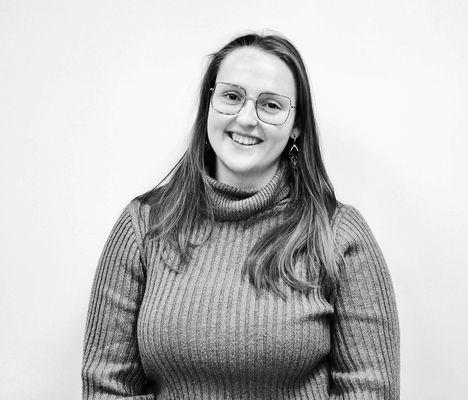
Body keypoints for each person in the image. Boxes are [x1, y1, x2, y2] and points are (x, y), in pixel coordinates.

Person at [81, 32, 400, 400]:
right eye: (232, 97)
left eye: (271, 105)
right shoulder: (144, 225)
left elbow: (370, 390)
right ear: (209, 104)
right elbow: (107, 387)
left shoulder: (339, 235)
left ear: (296, 125)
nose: (246, 118)